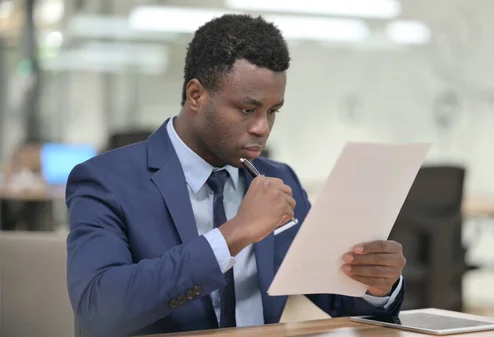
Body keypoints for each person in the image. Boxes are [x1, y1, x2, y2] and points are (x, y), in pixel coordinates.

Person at [66, 14, 406, 337]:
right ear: (196, 95)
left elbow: (336, 301)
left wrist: (377, 285)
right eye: (247, 110)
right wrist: (233, 235)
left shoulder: (277, 179)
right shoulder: (105, 180)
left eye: (272, 112)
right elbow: (98, 309)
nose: (262, 128)